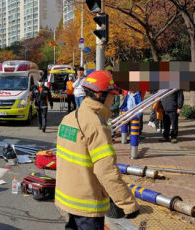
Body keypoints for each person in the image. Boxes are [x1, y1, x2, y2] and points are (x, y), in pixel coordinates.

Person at [56, 71, 139, 230]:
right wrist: (128, 204)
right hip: (87, 203)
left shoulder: (70, 118)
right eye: (112, 96)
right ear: (100, 95)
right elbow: (106, 171)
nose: (113, 100)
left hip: (68, 196)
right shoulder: (96, 126)